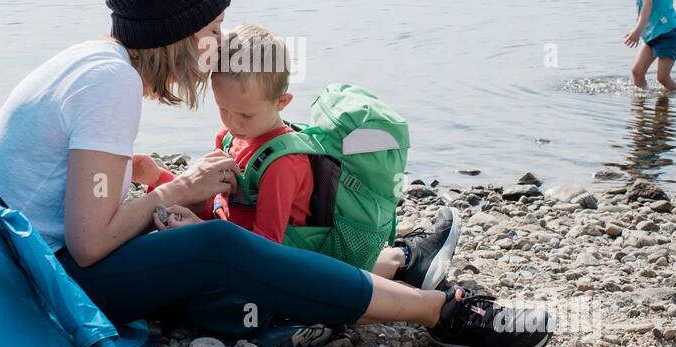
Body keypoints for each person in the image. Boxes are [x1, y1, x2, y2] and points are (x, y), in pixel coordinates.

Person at [0, 0, 552, 347]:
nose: (224, 43)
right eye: (215, 28)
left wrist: (163, 195)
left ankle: (395, 265)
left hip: (25, 260)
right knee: (220, 245)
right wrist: (179, 189)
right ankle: (444, 313)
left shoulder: (92, 61)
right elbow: (88, 241)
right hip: (50, 278)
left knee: (215, 239)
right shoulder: (112, 84)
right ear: (178, 38)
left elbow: (87, 212)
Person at [132, 22, 455, 289]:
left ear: (283, 102)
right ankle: (408, 260)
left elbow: (266, 248)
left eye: (244, 116)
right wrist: (158, 179)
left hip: (280, 271)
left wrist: (197, 230)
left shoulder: (284, 164)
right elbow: (216, 206)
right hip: (232, 256)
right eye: (222, 109)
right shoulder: (230, 138)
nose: (231, 123)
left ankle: (407, 260)